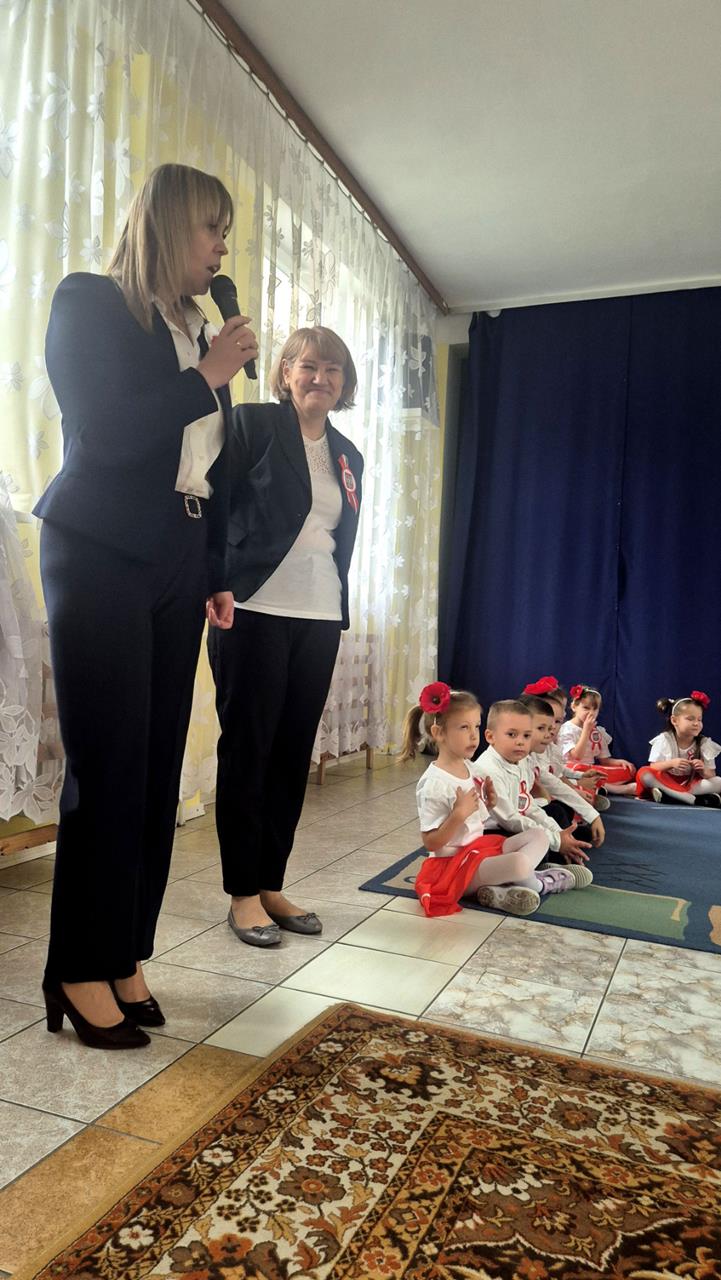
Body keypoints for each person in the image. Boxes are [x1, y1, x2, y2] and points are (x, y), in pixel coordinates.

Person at [34, 164, 258, 1049]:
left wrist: (214, 566)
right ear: (167, 224)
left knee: (160, 766)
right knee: (111, 763)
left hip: (177, 551)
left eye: (225, 233)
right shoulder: (89, 302)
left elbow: (209, 464)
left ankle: (126, 952)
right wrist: (207, 373)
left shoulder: (199, 330)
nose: (221, 249)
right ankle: (78, 966)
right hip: (99, 548)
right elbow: (104, 433)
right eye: (212, 229)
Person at [208, 326, 363, 946]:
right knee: (248, 749)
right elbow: (216, 501)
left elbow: (339, 537)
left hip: (319, 613)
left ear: (344, 383)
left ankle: (271, 882)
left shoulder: (349, 454)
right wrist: (215, 579)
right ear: (285, 373)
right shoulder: (253, 424)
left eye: (333, 369)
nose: (320, 378)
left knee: (292, 752)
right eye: (308, 366)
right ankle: (242, 894)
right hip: (252, 606)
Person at [400, 682, 582, 917]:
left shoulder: (470, 768)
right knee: (519, 864)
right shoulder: (434, 783)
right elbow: (431, 843)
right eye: (464, 727)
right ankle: (537, 883)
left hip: (478, 851)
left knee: (539, 835)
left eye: (476, 726)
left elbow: (477, 821)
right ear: (439, 733)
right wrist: (458, 814)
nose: (473, 735)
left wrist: (489, 804)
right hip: (452, 867)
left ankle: (501, 890)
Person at [476, 700, 595, 869]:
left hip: (512, 823)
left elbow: (528, 806)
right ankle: (544, 868)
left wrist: (558, 833)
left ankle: (560, 857)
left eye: (526, 736)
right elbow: (510, 819)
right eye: (512, 734)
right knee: (537, 841)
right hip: (489, 833)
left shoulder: (520, 761)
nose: (520, 742)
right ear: (490, 737)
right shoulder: (489, 770)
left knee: (551, 819)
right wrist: (555, 840)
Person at [519, 694, 605, 847]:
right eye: (541, 728)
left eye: (557, 722)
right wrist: (558, 839)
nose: (550, 731)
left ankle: (567, 837)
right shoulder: (517, 761)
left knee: (560, 809)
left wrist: (592, 815)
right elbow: (514, 814)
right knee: (555, 811)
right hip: (508, 826)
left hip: (529, 812)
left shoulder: (531, 758)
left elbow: (555, 780)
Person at [636, 692, 721, 806]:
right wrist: (671, 763)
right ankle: (692, 799)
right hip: (665, 780)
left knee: (719, 781)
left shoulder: (704, 744)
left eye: (699, 720)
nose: (696, 723)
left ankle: (671, 795)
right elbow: (654, 766)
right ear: (674, 720)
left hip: (689, 783)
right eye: (690, 719)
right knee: (644, 773)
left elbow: (711, 775)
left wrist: (703, 770)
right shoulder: (664, 739)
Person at [558, 684, 636, 794]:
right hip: (573, 770)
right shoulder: (566, 729)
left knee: (627, 771)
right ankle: (618, 789)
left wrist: (619, 762)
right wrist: (586, 731)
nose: (591, 713)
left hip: (592, 770)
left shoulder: (598, 731)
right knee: (578, 769)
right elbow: (577, 756)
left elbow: (604, 760)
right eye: (586, 708)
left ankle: (598, 787)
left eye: (595, 709)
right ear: (574, 707)